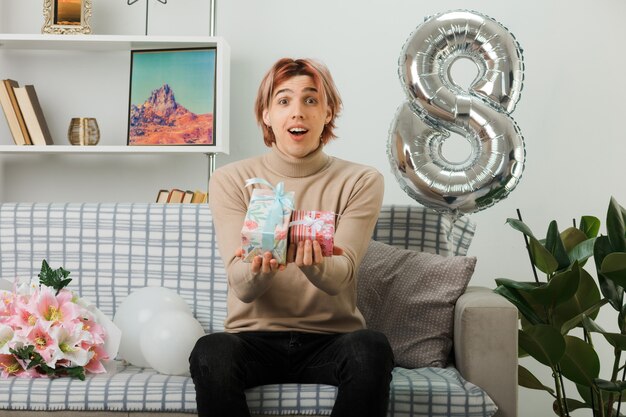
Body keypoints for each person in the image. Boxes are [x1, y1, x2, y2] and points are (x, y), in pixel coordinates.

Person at [189, 57, 394, 417]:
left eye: (311, 100)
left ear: (328, 112)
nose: (297, 112)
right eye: (283, 101)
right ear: (266, 115)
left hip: (332, 342)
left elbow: (341, 275)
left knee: (371, 348)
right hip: (252, 342)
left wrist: (313, 266)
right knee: (210, 351)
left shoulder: (361, 180)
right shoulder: (231, 179)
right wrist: (260, 269)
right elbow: (242, 285)